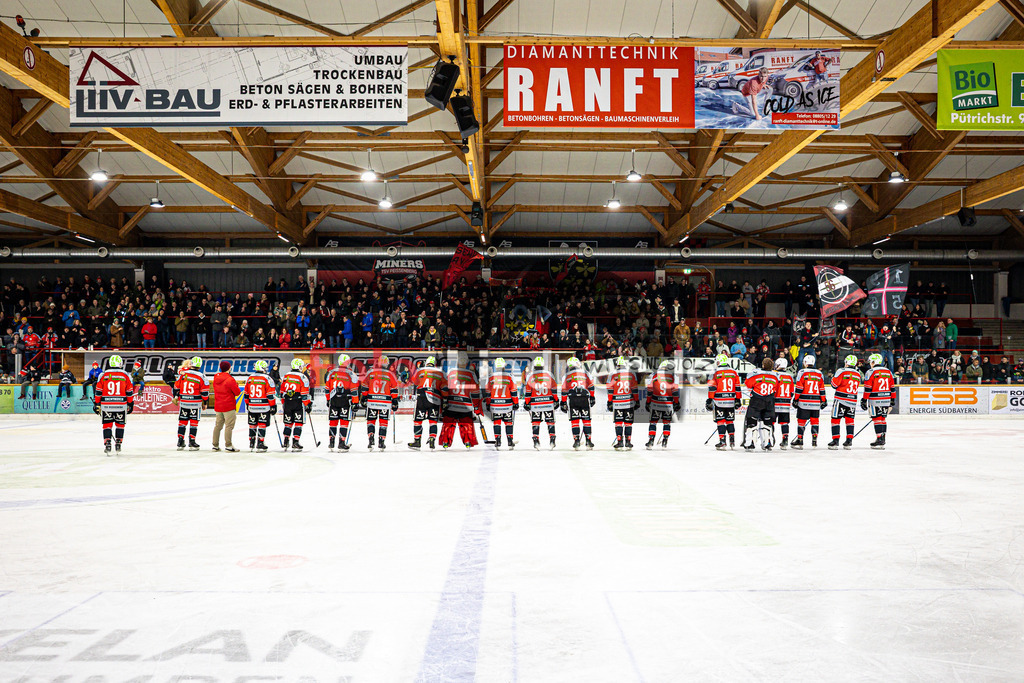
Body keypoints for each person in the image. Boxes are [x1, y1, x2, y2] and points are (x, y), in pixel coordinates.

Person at [92, 354, 134, 455]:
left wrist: (97, 403)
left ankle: (107, 444)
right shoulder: (125, 375)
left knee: (107, 424)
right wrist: (131, 403)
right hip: (121, 404)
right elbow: (129, 391)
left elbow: (98, 391)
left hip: (106, 404)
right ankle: (118, 443)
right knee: (120, 424)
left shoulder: (103, 375)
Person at [439, 353, 482, 449]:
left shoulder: (450, 372)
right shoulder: (471, 374)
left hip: (451, 404)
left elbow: (444, 388)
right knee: (466, 424)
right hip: (465, 406)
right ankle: (468, 442)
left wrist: (444, 402)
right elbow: (475, 392)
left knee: (448, 423)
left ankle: (445, 441)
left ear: (457, 362)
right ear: (466, 362)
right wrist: (476, 407)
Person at [360, 355, 400, 450]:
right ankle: (381, 441)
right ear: (386, 363)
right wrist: (394, 400)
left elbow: (364, 386)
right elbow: (394, 389)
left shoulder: (371, 372)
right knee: (383, 422)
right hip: (385, 403)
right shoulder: (390, 374)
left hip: (372, 401)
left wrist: (364, 397)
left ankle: (371, 438)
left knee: (371, 421)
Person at [409, 355, 445, 450]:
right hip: (435, 398)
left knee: (418, 420)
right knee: (433, 421)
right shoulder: (440, 372)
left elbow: (415, 382)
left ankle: (417, 441)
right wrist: (445, 400)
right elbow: (444, 388)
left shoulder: (421, 370)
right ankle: (432, 439)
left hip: (422, 397)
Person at [560, 356, 596, 450]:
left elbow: (564, 390)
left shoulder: (566, 375)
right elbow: (591, 386)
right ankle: (588, 440)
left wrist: (563, 402)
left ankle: (576, 441)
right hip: (584, 398)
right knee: (586, 420)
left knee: (575, 421)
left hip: (573, 399)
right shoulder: (585, 373)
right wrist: (592, 397)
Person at [743, 358, 779, 451]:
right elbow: (777, 388)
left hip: (757, 400)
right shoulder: (775, 375)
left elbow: (748, 383)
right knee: (768, 423)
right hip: (770, 400)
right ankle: (768, 442)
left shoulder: (756, 373)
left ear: (763, 365)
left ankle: (750, 442)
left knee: (752, 422)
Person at [174, 356, 209, 451]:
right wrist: (205, 402)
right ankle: (192, 441)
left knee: (182, 421)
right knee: (194, 422)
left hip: (184, 402)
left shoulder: (183, 374)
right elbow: (205, 392)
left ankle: (180, 440)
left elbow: (176, 386)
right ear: (200, 365)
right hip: (195, 403)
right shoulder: (201, 376)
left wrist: (176, 396)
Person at [706, 354, 741, 450]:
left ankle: (722, 441)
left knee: (720, 421)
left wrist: (709, 399)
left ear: (719, 362)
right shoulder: (734, 372)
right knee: (730, 420)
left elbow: (712, 387)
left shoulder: (715, 372)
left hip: (719, 401)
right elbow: (737, 387)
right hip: (730, 401)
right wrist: (738, 399)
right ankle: (732, 440)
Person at [325, 353, 358, 452]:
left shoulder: (331, 372)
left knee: (333, 422)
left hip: (333, 400)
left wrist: (328, 399)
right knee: (344, 422)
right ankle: (341, 443)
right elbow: (354, 390)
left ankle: (331, 442)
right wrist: (355, 402)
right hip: (345, 400)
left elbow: (327, 388)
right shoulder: (351, 373)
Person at [791, 354, 826, 449]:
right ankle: (814, 439)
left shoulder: (802, 372)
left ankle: (800, 439)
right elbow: (822, 389)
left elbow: (799, 388)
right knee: (815, 421)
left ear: (805, 363)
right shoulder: (819, 373)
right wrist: (823, 400)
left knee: (801, 421)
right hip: (815, 402)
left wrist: (795, 399)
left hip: (803, 402)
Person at [862, 353, 895, 450]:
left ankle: (879, 438)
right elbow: (892, 388)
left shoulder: (870, 372)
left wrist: (864, 400)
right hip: (886, 399)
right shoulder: (888, 372)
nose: (870, 364)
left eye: (871, 362)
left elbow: (868, 388)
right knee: (883, 418)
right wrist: (892, 399)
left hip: (875, 399)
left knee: (876, 419)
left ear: (873, 362)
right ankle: (882, 438)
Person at [524, 356, 558, 450]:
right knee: (550, 421)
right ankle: (552, 439)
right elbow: (554, 389)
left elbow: (528, 392)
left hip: (536, 404)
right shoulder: (549, 374)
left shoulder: (530, 376)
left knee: (535, 422)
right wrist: (556, 400)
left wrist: (527, 402)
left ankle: (536, 440)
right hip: (548, 403)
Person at [829, 355, 862, 450]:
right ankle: (849, 440)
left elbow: (834, 384)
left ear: (846, 362)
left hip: (840, 399)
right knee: (850, 420)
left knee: (835, 419)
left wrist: (832, 377)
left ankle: (835, 440)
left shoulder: (841, 371)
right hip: (852, 400)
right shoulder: (858, 374)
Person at [644, 360, 679, 450]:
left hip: (656, 403)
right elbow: (675, 391)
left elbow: (650, 390)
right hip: (668, 404)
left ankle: (651, 440)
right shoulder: (672, 376)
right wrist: (676, 402)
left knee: (653, 422)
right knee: (666, 422)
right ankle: (665, 441)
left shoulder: (654, 375)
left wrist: (648, 402)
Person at [485, 357, 519, 450]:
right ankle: (510, 441)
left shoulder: (491, 377)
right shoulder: (509, 376)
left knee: (497, 423)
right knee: (508, 422)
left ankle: (498, 440)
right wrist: (516, 403)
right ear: (504, 366)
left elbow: (487, 393)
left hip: (495, 405)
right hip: (507, 404)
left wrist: (488, 404)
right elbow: (514, 391)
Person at [243, 359, 276, 452]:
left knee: (252, 424)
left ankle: (251, 441)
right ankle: (260, 442)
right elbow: (270, 395)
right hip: (264, 406)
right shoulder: (267, 378)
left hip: (252, 405)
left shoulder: (250, 378)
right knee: (262, 423)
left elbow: (246, 394)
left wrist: (247, 403)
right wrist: (273, 406)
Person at [279, 358, 312, 451]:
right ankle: (295, 442)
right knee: (298, 423)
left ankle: (286, 441)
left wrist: (283, 402)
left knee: (288, 423)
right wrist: (307, 405)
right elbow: (304, 394)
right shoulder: (302, 377)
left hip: (287, 402)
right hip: (298, 402)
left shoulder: (286, 376)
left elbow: (281, 391)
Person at [607, 356, 639, 451]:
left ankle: (620, 441)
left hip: (617, 402)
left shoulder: (612, 374)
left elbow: (610, 389)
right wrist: (637, 400)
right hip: (629, 402)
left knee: (618, 422)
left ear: (617, 364)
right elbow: (635, 389)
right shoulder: (631, 373)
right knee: (628, 423)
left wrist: (609, 401)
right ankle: (628, 442)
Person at [211, 360, 241, 452]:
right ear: (229, 368)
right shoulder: (230, 379)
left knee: (218, 426)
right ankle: (228, 445)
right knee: (229, 426)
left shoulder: (216, 377)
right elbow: (237, 392)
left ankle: (215, 445)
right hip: (228, 405)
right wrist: (236, 386)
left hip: (218, 405)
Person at [772, 357, 794, 449]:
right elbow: (792, 392)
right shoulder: (790, 376)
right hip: (785, 404)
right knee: (784, 423)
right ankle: (785, 440)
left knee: (771, 422)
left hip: (774, 403)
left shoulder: (774, 375)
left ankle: (770, 438)